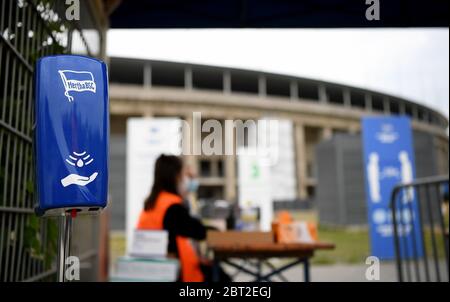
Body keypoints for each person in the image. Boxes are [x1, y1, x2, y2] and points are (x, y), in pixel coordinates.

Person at [136, 154, 230, 282]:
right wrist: (216, 228)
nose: (186, 180)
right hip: (175, 272)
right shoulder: (172, 207)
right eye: (184, 175)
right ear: (175, 177)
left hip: (154, 268)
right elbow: (197, 230)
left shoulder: (154, 202)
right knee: (223, 277)